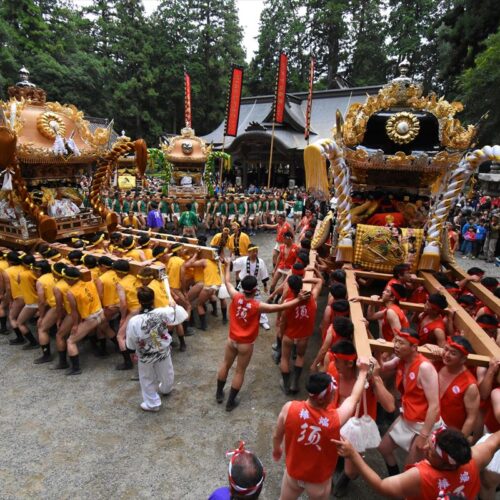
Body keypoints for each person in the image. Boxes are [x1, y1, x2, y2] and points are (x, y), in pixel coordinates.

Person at [216, 261, 311, 412]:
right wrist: (298, 300)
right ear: (255, 290)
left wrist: (227, 266)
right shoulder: (257, 306)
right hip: (245, 344)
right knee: (239, 371)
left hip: (231, 340)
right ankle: (230, 403)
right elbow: (281, 306)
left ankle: (219, 394)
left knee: (225, 365)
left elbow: (227, 281)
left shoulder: (235, 296)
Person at [272, 368, 369, 500]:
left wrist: (277, 448)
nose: (335, 394)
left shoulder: (289, 408)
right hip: (318, 482)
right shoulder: (335, 420)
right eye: (332, 393)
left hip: (293, 475)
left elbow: (277, 435)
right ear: (322, 400)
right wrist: (363, 372)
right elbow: (353, 398)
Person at [335, 427, 500, 499]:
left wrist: (353, 455)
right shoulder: (474, 460)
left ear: (446, 464)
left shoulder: (422, 476)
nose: (425, 447)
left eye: (431, 451)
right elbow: (494, 440)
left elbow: (381, 486)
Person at [378, 328, 441, 471]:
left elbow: (435, 406)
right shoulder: (401, 359)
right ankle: (394, 482)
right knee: (383, 448)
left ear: (413, 347)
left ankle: (402, 490)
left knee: (411, 468)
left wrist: (424, 435)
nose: (396, 346)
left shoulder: (425, 367)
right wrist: (378, 350)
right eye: (396, 342)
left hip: (424, 423)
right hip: (407, 414)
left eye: (401, 343)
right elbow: (382, 368)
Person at [126, 287, 187, 412]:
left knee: (147, 377)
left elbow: (131, 339)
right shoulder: (162, 312)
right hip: (162, 349)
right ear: (153, 299)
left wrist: (131, 351)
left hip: (145, 353)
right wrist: (174, 306)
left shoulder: (134, 321)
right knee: (167, 371)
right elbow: (182, 315)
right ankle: (166, 389)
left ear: (139, 301)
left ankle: (152, 403)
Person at [279, 270, 323, 395]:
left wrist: (281, 334)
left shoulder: (287, 303)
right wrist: (301, 280)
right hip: (303, 335)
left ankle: (286, 384)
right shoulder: (313, 298)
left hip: (289, 334)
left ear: (291, 288)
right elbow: (319, 281)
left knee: (285, 358)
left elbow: (282, 322)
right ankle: (295, 383)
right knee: (300, 356)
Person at [65, 267, 105, 375]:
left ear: (70, 279)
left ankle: (76, 368)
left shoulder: (70, 292)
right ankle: (102, 350)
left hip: (91, 318)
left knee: (70, 341)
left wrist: (75, 325)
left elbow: (74, 311)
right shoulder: (90, 281)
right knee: (107, 330)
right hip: (101, 313)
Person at [232, 243, 270, 330]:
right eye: (253, 251)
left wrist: (265, 285)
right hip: (243, 285)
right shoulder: (243, 260)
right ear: (248, 252)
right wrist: (225, 262)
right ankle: (240, 318)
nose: (255, 253)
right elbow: (232, 265)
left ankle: (263, 321)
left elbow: (264, 273)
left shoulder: (261, 261)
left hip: (254, 285)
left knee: (258, 303)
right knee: (241, 302)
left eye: (256, 251)